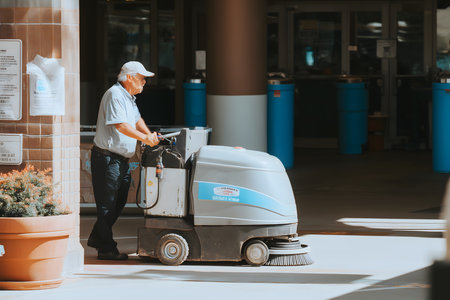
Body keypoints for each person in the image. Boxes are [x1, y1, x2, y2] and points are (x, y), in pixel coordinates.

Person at [87, 61, 160, 260]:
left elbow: (136, 120)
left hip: (120, 160)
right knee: (107, 204)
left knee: (118, 202)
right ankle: (106, 248)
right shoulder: (114, 95)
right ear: (129, 78)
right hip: (107, 159)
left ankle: (97, 237)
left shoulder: (129, 98)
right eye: (141, 78)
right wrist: (144, 138)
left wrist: (150, 134)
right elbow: (120, 125)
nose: (144, 82)